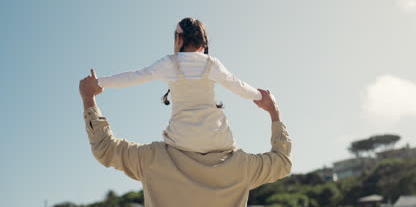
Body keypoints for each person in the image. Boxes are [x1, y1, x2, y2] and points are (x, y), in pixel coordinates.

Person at [80, 69, 292, 207]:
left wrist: (89, 99)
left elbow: (105, 149)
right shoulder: (241, 166)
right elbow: (282, 162)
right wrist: (274, 112)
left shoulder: (152, 159)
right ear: (216, 112)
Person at [95, 17, 262, 153]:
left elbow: (133, 77)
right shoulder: (212, 64)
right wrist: (261, 96)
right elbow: (238, 86)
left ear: (178, 38)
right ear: (203, 43)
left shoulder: (169, 63)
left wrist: (99, 83)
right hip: (217, 139)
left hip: (183, 141)